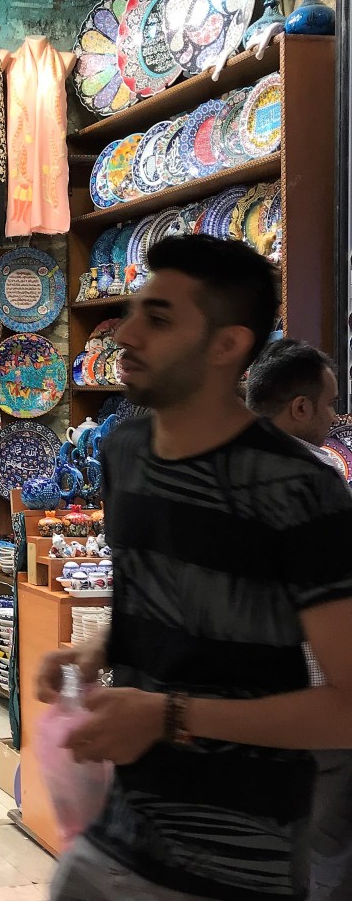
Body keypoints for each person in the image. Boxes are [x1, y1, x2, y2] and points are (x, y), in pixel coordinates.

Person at [38, 235, 352, 901]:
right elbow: (159, 595)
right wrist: (92, 650)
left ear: (226, 345)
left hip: (239, 848)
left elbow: (346, 708)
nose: (123, 333)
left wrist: (171, 715)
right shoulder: (125, 448)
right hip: (128, 817)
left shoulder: (297, 486)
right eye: (134, 311)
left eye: (158, 318)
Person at [247, 337, 351, 901]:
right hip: (316, 689)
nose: (336, 417)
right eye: (331, 404)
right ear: (300, 407)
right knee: (327, 845)